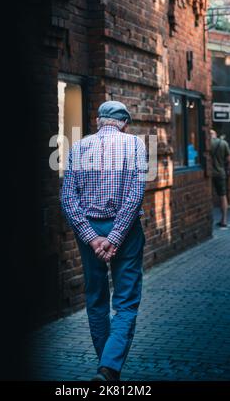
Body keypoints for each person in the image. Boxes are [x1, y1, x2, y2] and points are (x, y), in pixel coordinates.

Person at [61, 100, 147, 381]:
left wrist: (92, 238)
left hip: (89, 231)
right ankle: (108, 368)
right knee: (126, 301)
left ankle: (106, 366)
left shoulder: (78, 146)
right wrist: (115, 236)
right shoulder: (135, 144)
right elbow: (135, 195)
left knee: (96, 298)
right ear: (124, 123)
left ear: (98, 121)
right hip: (126, 230)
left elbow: (67, 198)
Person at [210, 129, 230, 228]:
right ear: (216, 134)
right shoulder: (223, 143)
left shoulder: (206, 143)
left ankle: (209, 220)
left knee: (208, 196)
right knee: (223, 196)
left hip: (208, 174)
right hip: (220, 173)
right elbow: (228, 159)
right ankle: (224, 220)